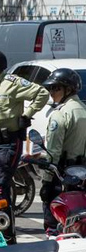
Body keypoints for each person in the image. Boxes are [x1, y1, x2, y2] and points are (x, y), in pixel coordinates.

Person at [0, 49, 48, 241]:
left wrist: (26, 115)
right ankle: (7, 237)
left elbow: (42, 93)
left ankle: (1, 233)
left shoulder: (12, 84)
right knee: (2, 191)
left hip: (8, 143)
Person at [39, 69, 86, 230]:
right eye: (50, 88)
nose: (51, 92)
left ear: (69, 89)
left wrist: (46, 181)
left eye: (56, 88)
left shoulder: (60, 114)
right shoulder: (83, 110)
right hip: (80, 174)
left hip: (61, 174)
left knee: (52, 221)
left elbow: (53, 152)